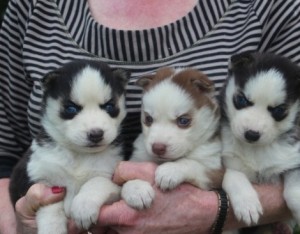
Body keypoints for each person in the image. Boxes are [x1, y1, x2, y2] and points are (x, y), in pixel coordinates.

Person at [0, 0, 299, 233]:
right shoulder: (32, 7)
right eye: (148, 120)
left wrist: (216, 210)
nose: (157, 140)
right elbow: (4, 154)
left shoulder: (270, 8)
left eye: (183, 121)